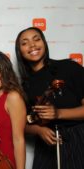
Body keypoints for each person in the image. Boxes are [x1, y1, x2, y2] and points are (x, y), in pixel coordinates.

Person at [15, 27, 84, 169]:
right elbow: (23, 123)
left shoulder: (69, 67)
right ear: (20, 51)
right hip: (45, 144)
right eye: (25, 43)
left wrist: (58, 113)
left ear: (44, 43)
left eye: (36, 39)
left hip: (77, 138)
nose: (32, 45)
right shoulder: (23, 86)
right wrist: (38, 131)